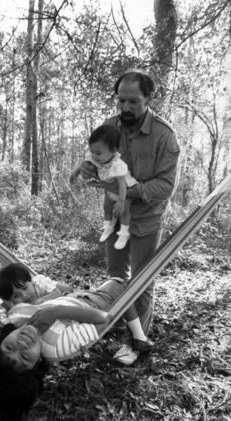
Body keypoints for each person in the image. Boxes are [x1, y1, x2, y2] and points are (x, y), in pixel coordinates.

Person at [76, 69, 180, 365]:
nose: (125, 108)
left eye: (133, 101)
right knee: (116, 278)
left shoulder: (164, 135)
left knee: (142, 282)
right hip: (114, 219)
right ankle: (124, 323)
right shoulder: (109, 127)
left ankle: (137, 342)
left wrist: (129, 191)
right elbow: (94, 159)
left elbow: (166, 186)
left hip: (147, 220)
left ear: (148, 98)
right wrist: (87, 169)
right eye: (121, 101)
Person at [0, 276, 154, 420]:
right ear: (38, 363)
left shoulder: (13, 321)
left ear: (2, 339)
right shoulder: (57, 346)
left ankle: (129, 326)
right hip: (92, 304)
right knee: (121, 284)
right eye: (25, 357)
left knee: (117, 282)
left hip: (72, 297)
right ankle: (139, 336)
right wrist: (57, 312)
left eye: (8, 347)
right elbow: (104, 319)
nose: (21, 345)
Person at [70, 125, 137, 249]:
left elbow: (122, 184)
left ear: (113, 150)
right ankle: (108, 227)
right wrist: (75, 174)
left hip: (123, 192)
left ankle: (124, 233)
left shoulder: (117, 164)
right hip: (110, 190)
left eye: (99, 153)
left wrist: (121, 201)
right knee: (106, 206)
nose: (95, 156)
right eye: (93, 152)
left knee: (124, 210)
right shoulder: (97, 157)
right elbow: (85, 163)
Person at [0, 263, 74, 307]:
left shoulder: (39, 283)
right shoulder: (16, 306)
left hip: (60, 292)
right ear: (10, 300)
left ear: (31, 281)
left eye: (25, 288)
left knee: (68, 289)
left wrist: (40, 300)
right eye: (16, 296)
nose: (24, 296)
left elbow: (58, 292)